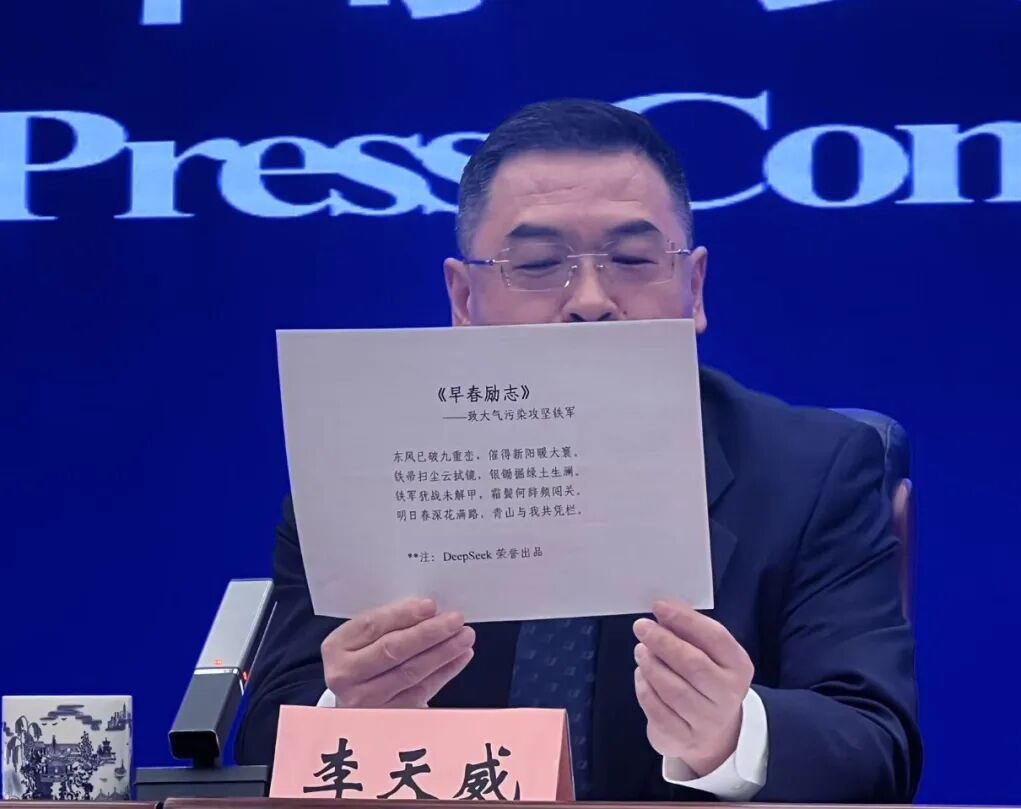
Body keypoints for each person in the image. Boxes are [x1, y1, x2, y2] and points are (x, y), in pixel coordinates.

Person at [235, 99, 921, 802]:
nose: (591, 300)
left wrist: (735, 734)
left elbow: (876, 751)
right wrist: (348, 717)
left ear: (694, 289)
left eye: (631, 259)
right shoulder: (365, 475)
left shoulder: (814, 471)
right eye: (538, 264)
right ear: (463, 300)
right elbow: (263, 745)